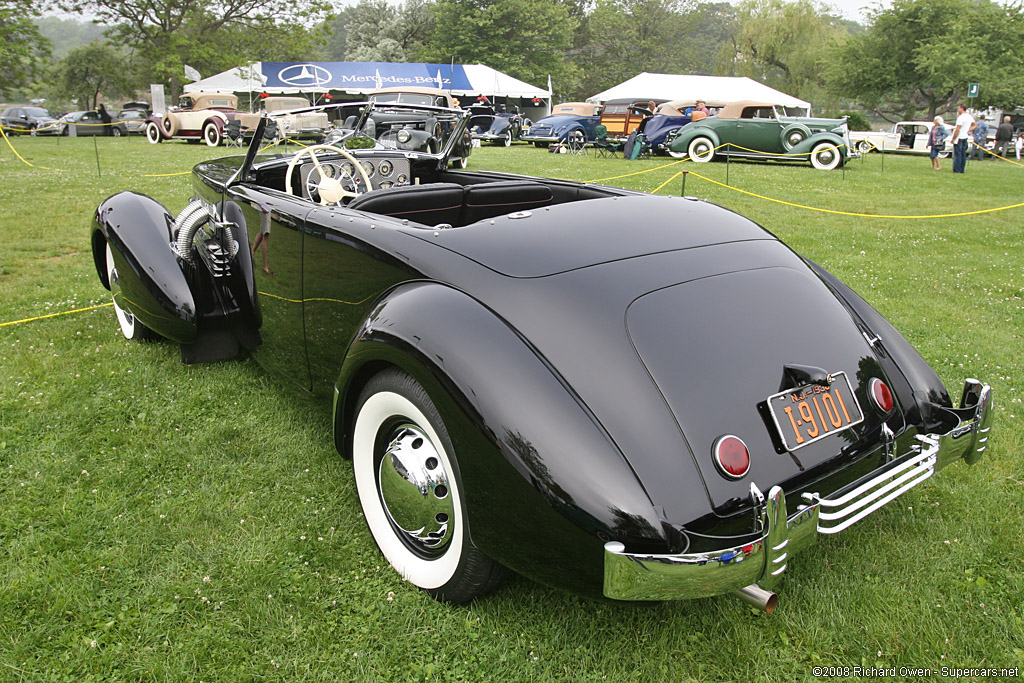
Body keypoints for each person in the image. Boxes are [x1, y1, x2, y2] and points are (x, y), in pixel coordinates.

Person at [949, 104, 975, 173]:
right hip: (965, 137)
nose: (958, 110)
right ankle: (961, 169)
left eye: (958, 108)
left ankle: (957, 169)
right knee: (963, 154)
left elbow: (958, 129)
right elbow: (974, 125)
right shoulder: (969, 117)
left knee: (958, 154)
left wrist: (953, 138)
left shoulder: (960, 118)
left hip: (959, 137)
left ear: (961, 108)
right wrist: (968, 130)